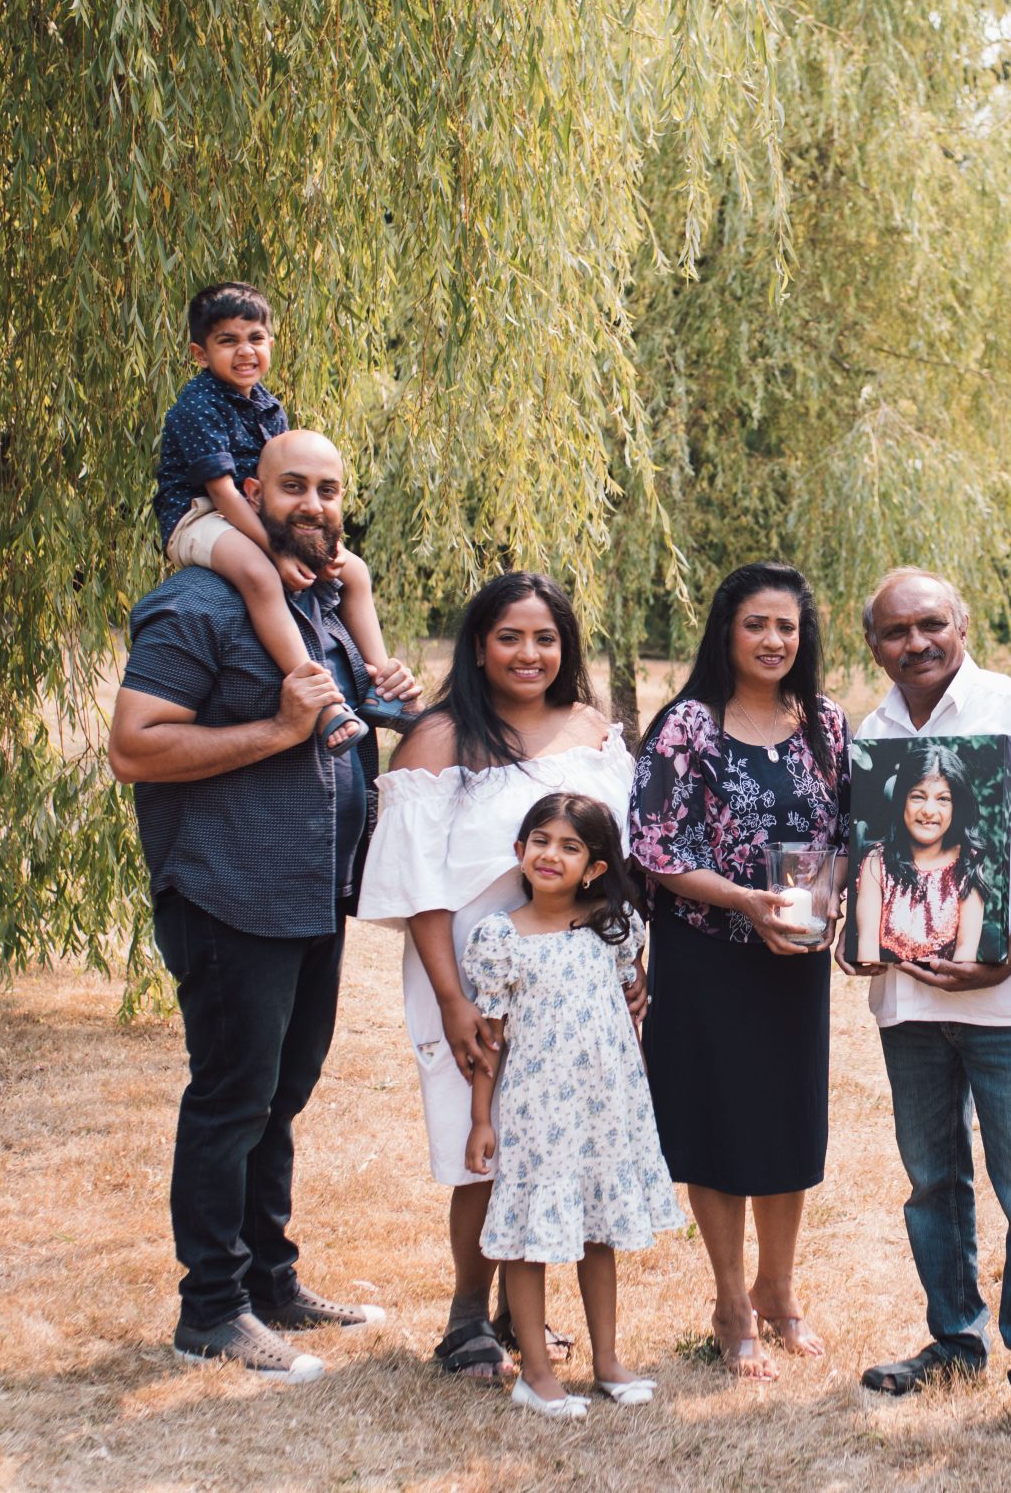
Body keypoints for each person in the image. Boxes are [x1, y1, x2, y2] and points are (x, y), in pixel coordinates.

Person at [106, 428, 392, 1384]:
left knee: (284, 1093)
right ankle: (212, 1310)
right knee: (232, 1098)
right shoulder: (200, 603)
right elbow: (136, 746)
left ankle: (273, 1282)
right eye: (293, 487)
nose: (314, 504)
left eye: (330, 488)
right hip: (231, 890)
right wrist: (276, 729)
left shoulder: (323, 606)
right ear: (247, 493)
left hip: (314, 892)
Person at [355, 571, 634, 1383]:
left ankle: (528, 1308)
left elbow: (621, 862)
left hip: (581, 982)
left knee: (561, 1132)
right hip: (478, 976)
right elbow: (418, 883)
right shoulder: (443, 736)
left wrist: (631, 962)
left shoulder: (590, 727)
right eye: (509, 636)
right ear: (479, 645)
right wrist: (452, 999)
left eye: (545, 637)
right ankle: (468, 1312)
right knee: (483, 1140)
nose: (528, 652)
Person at [850, 568, 1011, 1443]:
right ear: (871, 642)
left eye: (930, 624)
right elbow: (870, 860)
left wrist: (1004, 959)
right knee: (931, 1180)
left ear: (964, 623)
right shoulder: (871, 732)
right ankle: (954, 1337)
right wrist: (853, 933)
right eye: (894, 631)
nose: (915, 643)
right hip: (909, 1000)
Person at [627, 563, 849, 1381]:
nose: (773, 640)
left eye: (787, 626)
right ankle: (729, 1299)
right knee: (719, 1124)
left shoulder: (825, 722)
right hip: (706, 948)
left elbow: (856, 832)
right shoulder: (687, 724)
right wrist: (743, 901)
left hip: (793, 955)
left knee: (786, 1122)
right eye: (757, 624)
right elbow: (653, 845)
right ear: (727, 629)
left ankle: (779, 1289)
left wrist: (830, 904)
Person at [461, 793, 682, 1419]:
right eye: (540, 840)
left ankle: (607, 1360)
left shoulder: (612, 928)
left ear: (595, 868)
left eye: (570, 846)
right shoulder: (501, 937)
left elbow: (629, 999)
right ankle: (534, 1372)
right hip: (538, 1111)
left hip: (606, 1108)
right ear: (520, 852)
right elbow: (492, 1036)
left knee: (598, 1232)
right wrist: (482, 1118)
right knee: (533, 1239)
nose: (551, 854)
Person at [152, 281, 416, 747]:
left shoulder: (268, 407)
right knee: (259, 574)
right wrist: (276, 550)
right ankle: (322, 701)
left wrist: (323, 550)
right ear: (200, 353)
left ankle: (380, 684)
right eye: (227, 341)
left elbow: (275, 484)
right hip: (198, 515)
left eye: (255, 338)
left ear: (270, 343)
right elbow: (226, 495)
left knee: (353, 569)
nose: (244, 351)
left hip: (252, 509)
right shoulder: (198, 406)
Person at [850, 741, 986, 965]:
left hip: (949, 990)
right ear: (902, 799)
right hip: (892, 982)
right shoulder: (876, 862)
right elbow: (867, 946)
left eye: (943, 799)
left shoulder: (967, 862)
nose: (928, 811)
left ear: (956, 806)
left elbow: (966, 951)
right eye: (918, 796)